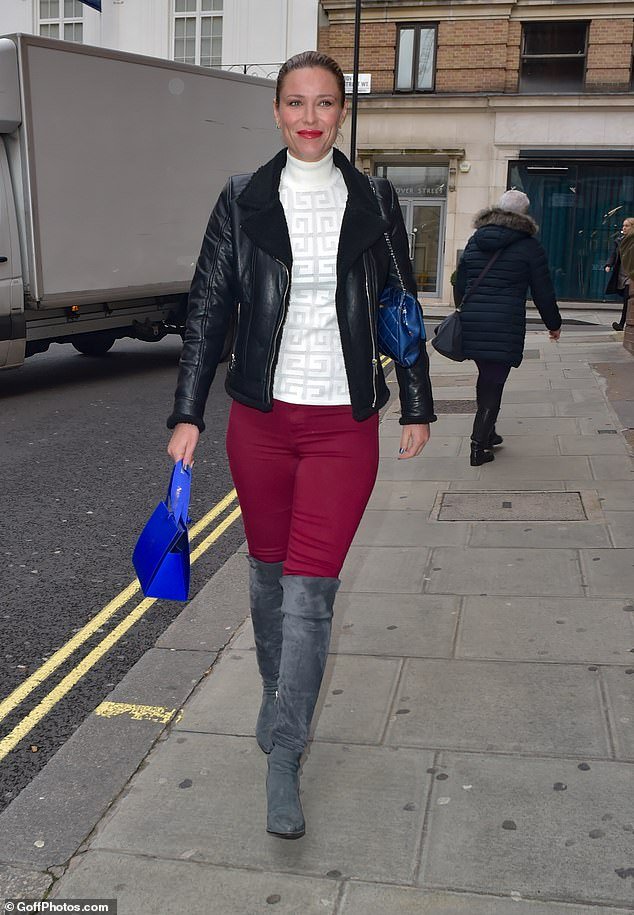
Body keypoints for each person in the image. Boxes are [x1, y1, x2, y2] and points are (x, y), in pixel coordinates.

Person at [166, 51, 436, 839]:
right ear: (276, 112)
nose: (310, 116)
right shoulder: (242, 199)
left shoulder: (374, 197)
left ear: (342, 112)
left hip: (342, 426)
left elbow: (397, 301)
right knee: (265, 576)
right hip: (262, 421)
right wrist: (187, 412)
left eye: (324, 102)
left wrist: (416, 398)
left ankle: (286, 752)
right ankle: (276, 688)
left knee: (311, 596)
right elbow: (209, 306)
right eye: (295, 103)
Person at [455, 189, 562, 466]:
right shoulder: (529, 246)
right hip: (504, 323)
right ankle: (478, 447)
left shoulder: (476, 240)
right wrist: (554, 324)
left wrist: (462, 309)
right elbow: (543, 291)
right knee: (495, 381)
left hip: (474, 320)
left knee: (487, 376)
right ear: (523, 214)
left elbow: (460, 279)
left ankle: (488, 433)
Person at [605, 216, 634, 332]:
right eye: (623, 226)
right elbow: (613, 254)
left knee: (628, 299)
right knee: (627, 300)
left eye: (626, 226)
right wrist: (608, 265)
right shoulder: (620, 240)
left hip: (631, 275)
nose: (624, 228)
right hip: (622, 274)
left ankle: (622, 324)